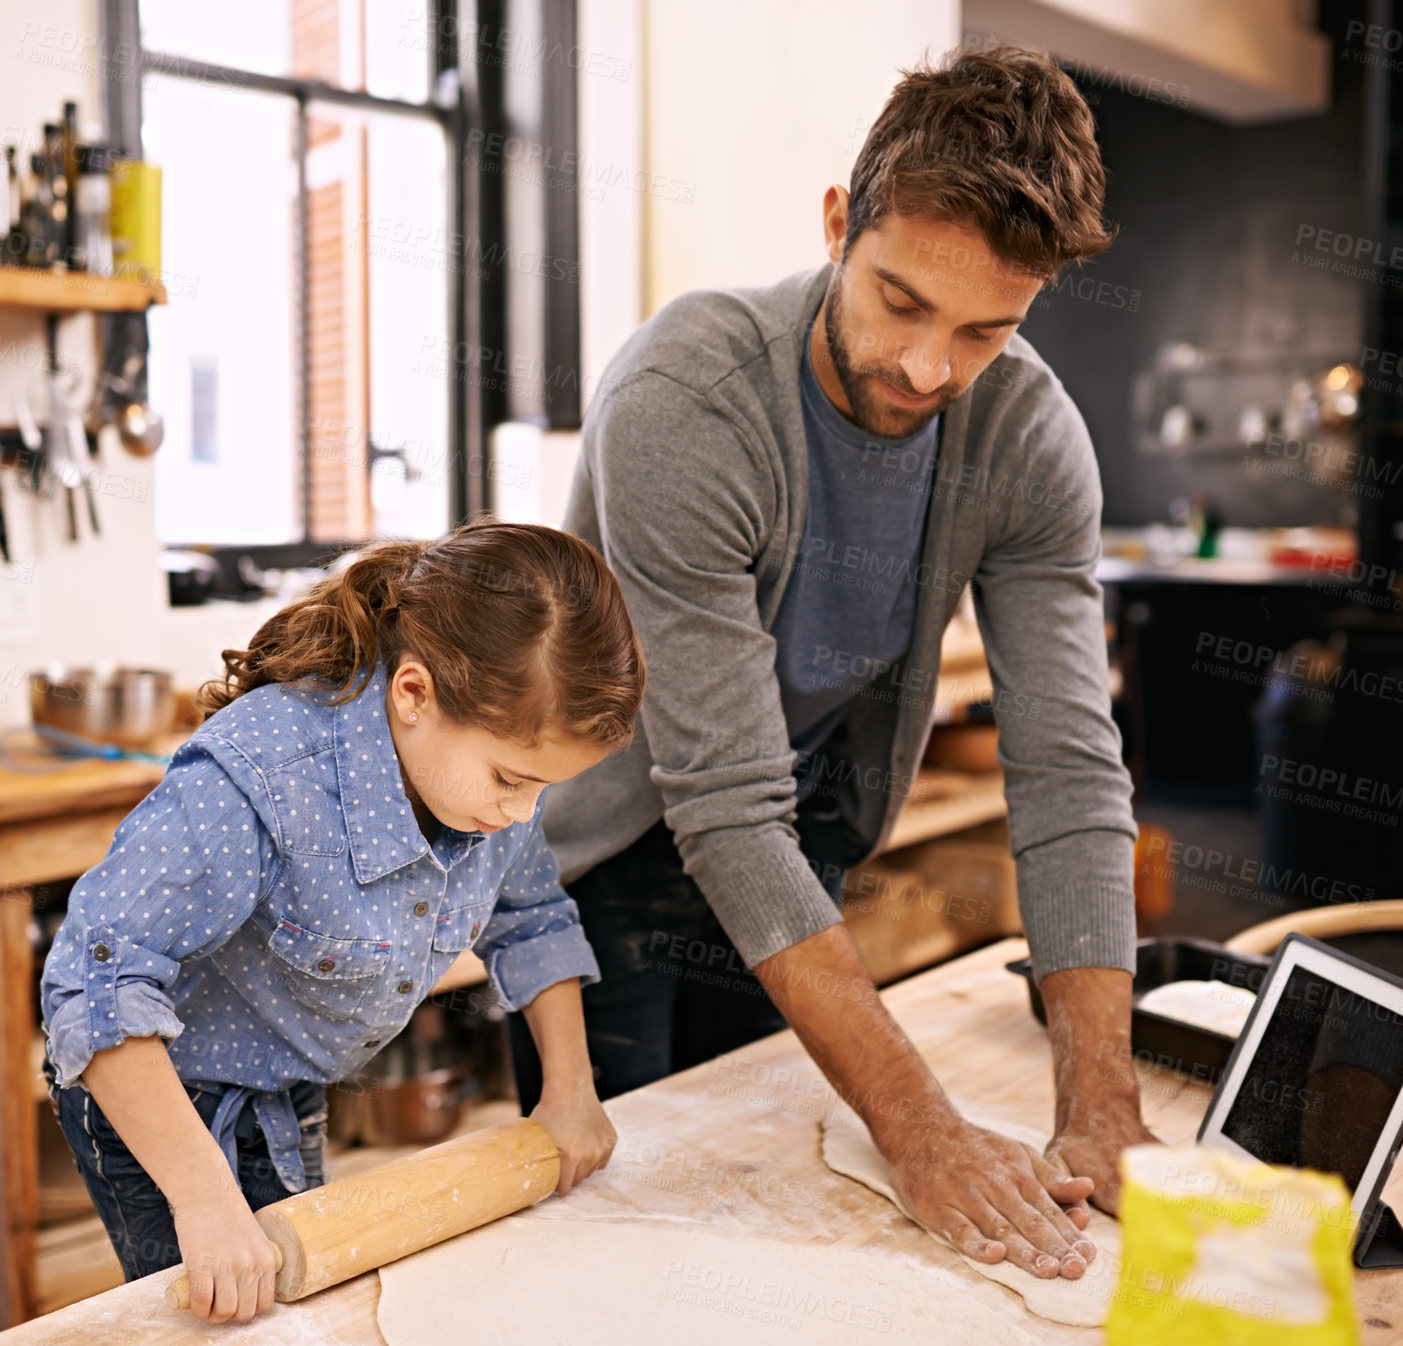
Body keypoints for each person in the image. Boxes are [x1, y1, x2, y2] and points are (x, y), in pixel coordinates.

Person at [515, 43, 1156, 1284]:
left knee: (772, 1205)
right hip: (606, 852)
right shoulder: (686, 397)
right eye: (901, 301)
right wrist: (921, 1129)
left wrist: (1103, 1100)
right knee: (616, 1238)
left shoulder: (1029, 435)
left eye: (985, 331)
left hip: (795, 836)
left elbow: (1071, 771)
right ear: (835, 225)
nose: (928, 369)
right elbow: (718, 799)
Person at [39, 519, 645, 1324]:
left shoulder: (493, 781)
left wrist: (570, 1092)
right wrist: (207, 1203)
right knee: (215, 1313)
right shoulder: (262, 774)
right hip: (159, 1101)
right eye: (508, 780)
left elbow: (532, 917)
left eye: (543, 789)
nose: (523, 812)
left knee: (299, 1295)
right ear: (414, 694)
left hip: (289, 1083)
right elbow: (94, 984)